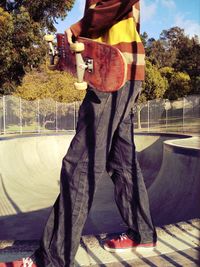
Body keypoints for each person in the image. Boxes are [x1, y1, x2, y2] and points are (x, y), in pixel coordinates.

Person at [1, 0, 157, 266]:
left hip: (113, 71)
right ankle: (141, 232)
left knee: (80, 165)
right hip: (129, 71)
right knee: (122, 161)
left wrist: (80, 27)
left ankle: (54, 258)